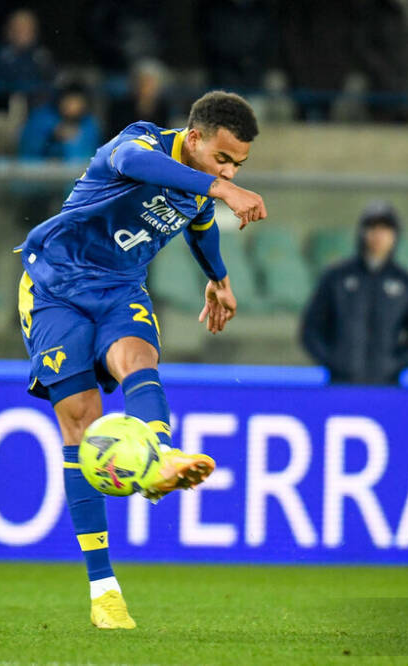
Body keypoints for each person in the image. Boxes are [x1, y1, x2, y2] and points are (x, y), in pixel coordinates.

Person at [16, 91, 266, 629]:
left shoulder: (199, 192)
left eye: (237, 164)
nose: (228, 170)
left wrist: (218, 280)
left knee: (139, 356)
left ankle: (161, 459)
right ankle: (104, 590)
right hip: (55, 284)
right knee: (79, 420)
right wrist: (223, 186)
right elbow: (135, 165)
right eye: (222, 158)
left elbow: (200, 228)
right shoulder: (140, 142)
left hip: (118, 288)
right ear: (194, 139)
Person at [301, 201, 408, 384]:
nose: (378, 236)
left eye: (385, 229)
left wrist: (395, 364)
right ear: (362, 232)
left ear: (395, 235)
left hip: (386, 386)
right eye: (373, 228)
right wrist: (334, 361)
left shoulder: (405, 284)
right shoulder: (337, 278)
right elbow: (311, 329)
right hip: (341, 385)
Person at [0, 8, 55, 110]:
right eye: (17, 29)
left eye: (27, 29)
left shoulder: (43, 56)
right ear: (8, 30)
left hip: (34, 110)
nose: (21, 33)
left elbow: (50, 84)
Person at [19, 82, 101, 163]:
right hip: (38, 172)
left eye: (77, 102)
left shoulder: (90, 126)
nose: (73, 106)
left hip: (74, 173)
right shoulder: (41, 118)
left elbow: (89, 158)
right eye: (69, 101)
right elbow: (26, 153)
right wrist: (51, 135)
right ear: (61, 100)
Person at [107, 59, 171, 139]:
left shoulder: (164, 109)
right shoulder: (119, 107)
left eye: (150, 82)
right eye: (142, 82)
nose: (145, 87)